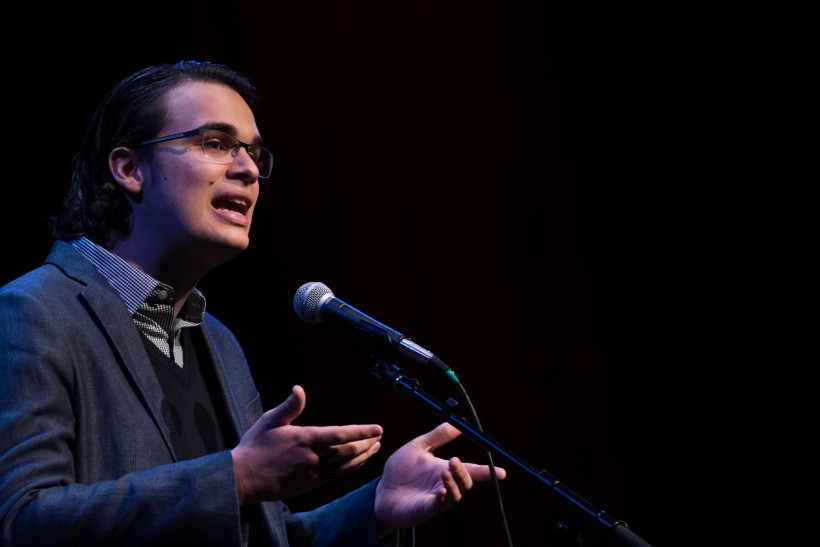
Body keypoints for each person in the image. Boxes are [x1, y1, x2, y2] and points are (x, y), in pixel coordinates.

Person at [0, 60, 505, 546]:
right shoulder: (33, 312)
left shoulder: (217, 341)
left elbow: (266, 536)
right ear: (129, 168)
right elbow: (21, 522)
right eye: (216, 143)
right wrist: (236, 478)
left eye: (254, 153)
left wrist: (374, 507)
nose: (247, 169)